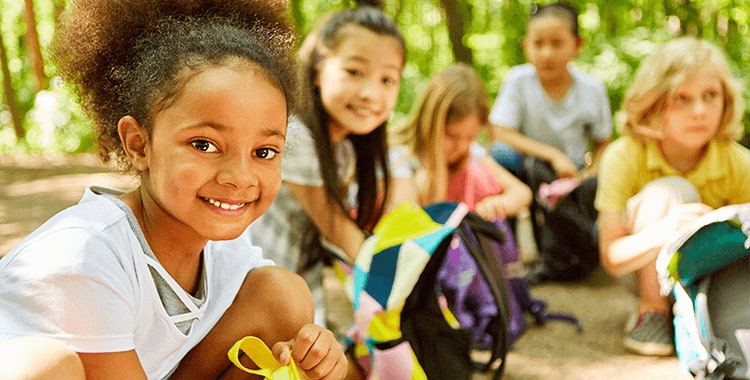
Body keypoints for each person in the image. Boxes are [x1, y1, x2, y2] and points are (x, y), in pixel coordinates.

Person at [0, 0, 348, 379]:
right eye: (204, 145)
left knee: (282, 295)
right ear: (139, 144)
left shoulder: (226, 255)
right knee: (45, 367)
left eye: (264, 152)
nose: (240, 176)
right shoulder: (84, 257)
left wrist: (308, 361)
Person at [246, 0, 406, 328]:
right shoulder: (294, 137)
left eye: (387, 80)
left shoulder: (343, 152)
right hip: (251, 292)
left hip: (297, 285)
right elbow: (339, 231)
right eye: (354, 71)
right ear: (318, 70)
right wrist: (407, 286)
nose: (370, 93)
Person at [595, 37, 750, 357]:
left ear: (726, 101)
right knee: (671, 191)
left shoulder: (738, 162)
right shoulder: (623, 155)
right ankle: (653, 311)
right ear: (653, 102)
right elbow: (612, 257)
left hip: (711, 275)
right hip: (642, 268)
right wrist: (667, 230)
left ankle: (700, 314)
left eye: (710, 96)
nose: (699, 111)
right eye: (682, 98)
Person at [487, 2, 613, 282]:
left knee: (602, 180)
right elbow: (500, 132)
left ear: (577, 44)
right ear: (525, 45)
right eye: (538, 43)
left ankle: (584, 250)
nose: (546, 53)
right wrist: (552, 154)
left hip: (573, 176)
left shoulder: (593, 90)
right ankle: (502, 253)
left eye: (557, 43)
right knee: (499, 157)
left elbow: (604, 143)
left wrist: (588, 173)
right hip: (526, 167)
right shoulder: (518, 81)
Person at [389, 62, 532, 221]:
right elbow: (408, 221)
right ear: (430, 123)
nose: (462, 146)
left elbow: (522, 192)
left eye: (471, 137)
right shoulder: (400, 157)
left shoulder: (471, 151)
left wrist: (498, 203)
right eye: (451, 135)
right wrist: (435, 173)